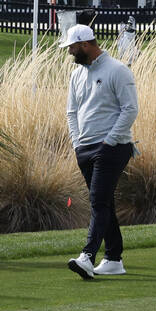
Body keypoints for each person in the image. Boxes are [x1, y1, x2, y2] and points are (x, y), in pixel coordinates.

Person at [63, 24, 139, 280]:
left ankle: (87, 256)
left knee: (98, 201)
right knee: (104, 202)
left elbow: (130, 109)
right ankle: (114, 258)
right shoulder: (76, 74)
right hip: (84, 147)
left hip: (112, 148)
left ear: (85, 44)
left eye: (73, 47)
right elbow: (71, 112)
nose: (70, 52)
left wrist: (110, 140)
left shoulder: (117, 70)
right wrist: (76, 142)